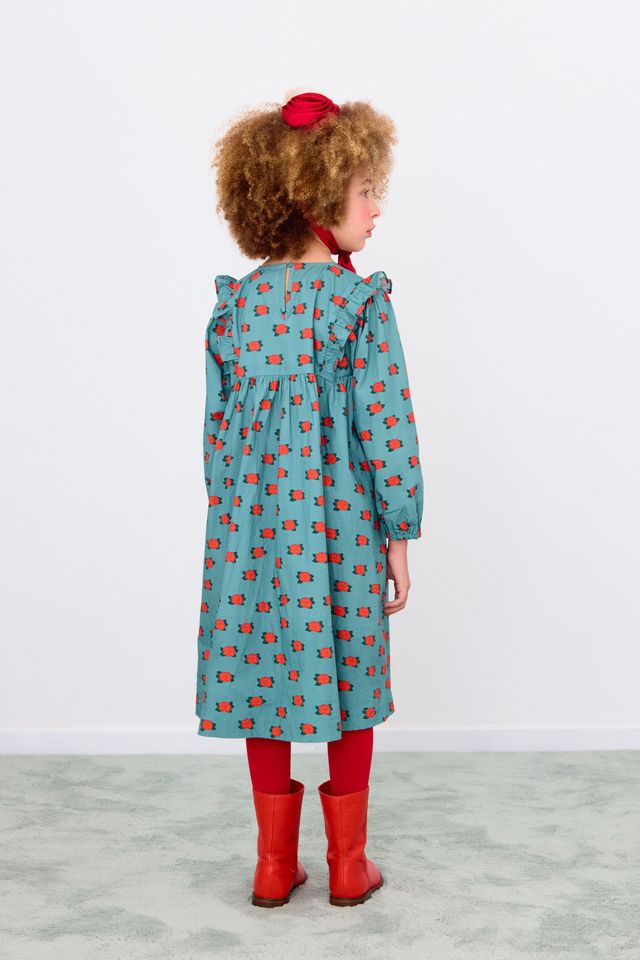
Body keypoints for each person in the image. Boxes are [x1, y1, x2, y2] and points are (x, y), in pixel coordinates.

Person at [196, 91, 425, 908]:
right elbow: (387, 427)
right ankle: (348, 865)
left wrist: (238, 517)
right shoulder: (359, 305)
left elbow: (217, 441)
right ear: (316, 199)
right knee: (350, 676)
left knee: (264, 681)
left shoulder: (235, 308)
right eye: (365, 191)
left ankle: (271, 865)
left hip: (249, 533)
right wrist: (398, 534)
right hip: (339, 531)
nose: (376, 208)